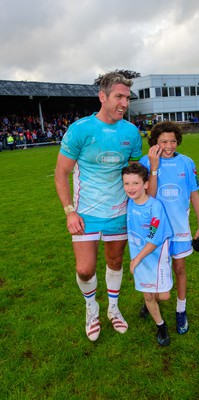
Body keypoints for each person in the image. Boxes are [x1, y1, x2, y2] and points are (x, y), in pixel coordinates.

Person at [54, 72, 142, 341]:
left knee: (115, 262)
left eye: (127, 97)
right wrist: (70, 211)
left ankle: (113, 309)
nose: (124, 103)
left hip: (119, 212)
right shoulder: (80, 129)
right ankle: (91, 307)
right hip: (86, 214)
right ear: (102, 97)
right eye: (119, 96)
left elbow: (136, 171)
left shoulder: (131, 132)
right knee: (85, 269)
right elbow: (61, 173)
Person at [140, 121, 199, 334]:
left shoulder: (187, 163)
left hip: (179, 230)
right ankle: (150, 300)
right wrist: (153, 167)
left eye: (172, 141)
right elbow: (148, 196)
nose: (169, 145)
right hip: (155, 230)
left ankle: (181, 310)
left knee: (179, 269)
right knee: (153, 271)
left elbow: (194, 195)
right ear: (154, 143)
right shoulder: (145, 162)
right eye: (163, 142)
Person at [122, 163, 173, 346]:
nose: (130, 188)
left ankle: (148, 301)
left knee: (164, 296)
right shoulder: (129, 203)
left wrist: (136, 259)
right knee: (150, 295)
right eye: (126, 183)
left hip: (156, 255)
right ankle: (161, 325)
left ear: (145, 184)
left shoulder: (155, 207)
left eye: (135, 183)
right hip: (140, 259)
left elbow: (154, 238)